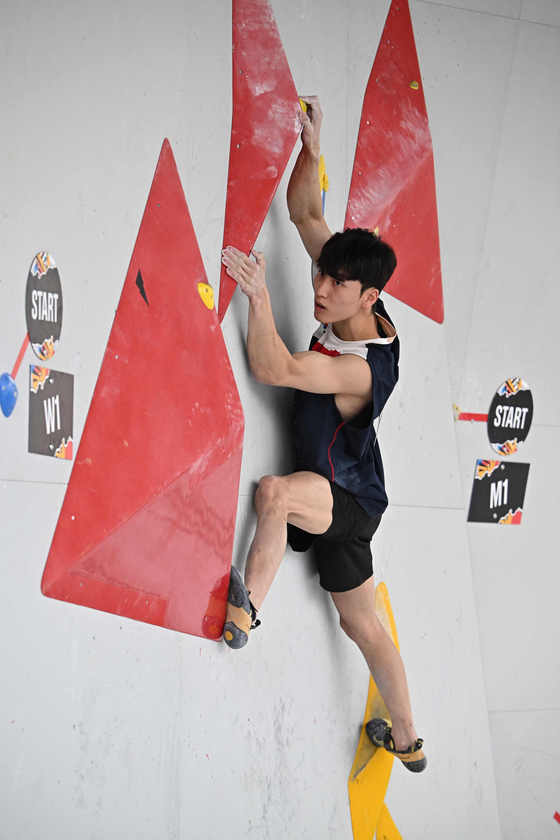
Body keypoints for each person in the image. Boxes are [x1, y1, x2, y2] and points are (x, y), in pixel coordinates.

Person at [220, 96, 426, 772]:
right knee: (359, 624)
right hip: (356, 494)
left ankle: (247, 610)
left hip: (344, 500)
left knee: (275, 494)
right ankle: (408, 738)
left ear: (367, 297)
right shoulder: (352, 290)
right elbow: (306, 213)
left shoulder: (357, 373)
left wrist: (258, 298)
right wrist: (311, 149)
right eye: (320, 273)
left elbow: (274, 365)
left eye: (335, 284)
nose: (319, 287)